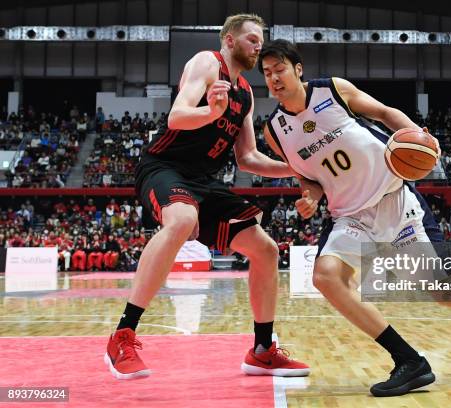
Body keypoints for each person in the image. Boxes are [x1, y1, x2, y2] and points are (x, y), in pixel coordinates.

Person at [258, 39, 451, 397]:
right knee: (326, 277)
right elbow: (309, 177)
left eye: (279, 69)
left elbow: (385, 113)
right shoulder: (275, 131)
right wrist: (309, 197)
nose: (273, 78)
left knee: (446, 294)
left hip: (395, 202)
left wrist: (418, 136)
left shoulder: (332, 90)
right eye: (266, 73)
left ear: (298, 69)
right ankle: (409, 360)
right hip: (350, 216)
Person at [105, 15, 309, 380]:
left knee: (265, 250)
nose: (257, 46)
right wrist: (210, 112)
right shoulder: (205, 63)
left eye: (260, 40)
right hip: (164, 167)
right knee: (181, 219)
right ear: (229, 40)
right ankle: (123, 335)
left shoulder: (245, 93)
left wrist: (296, 167)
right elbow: (176, 117)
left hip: (203, 181)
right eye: (251, 39)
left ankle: (262, 350)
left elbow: (248, 158)